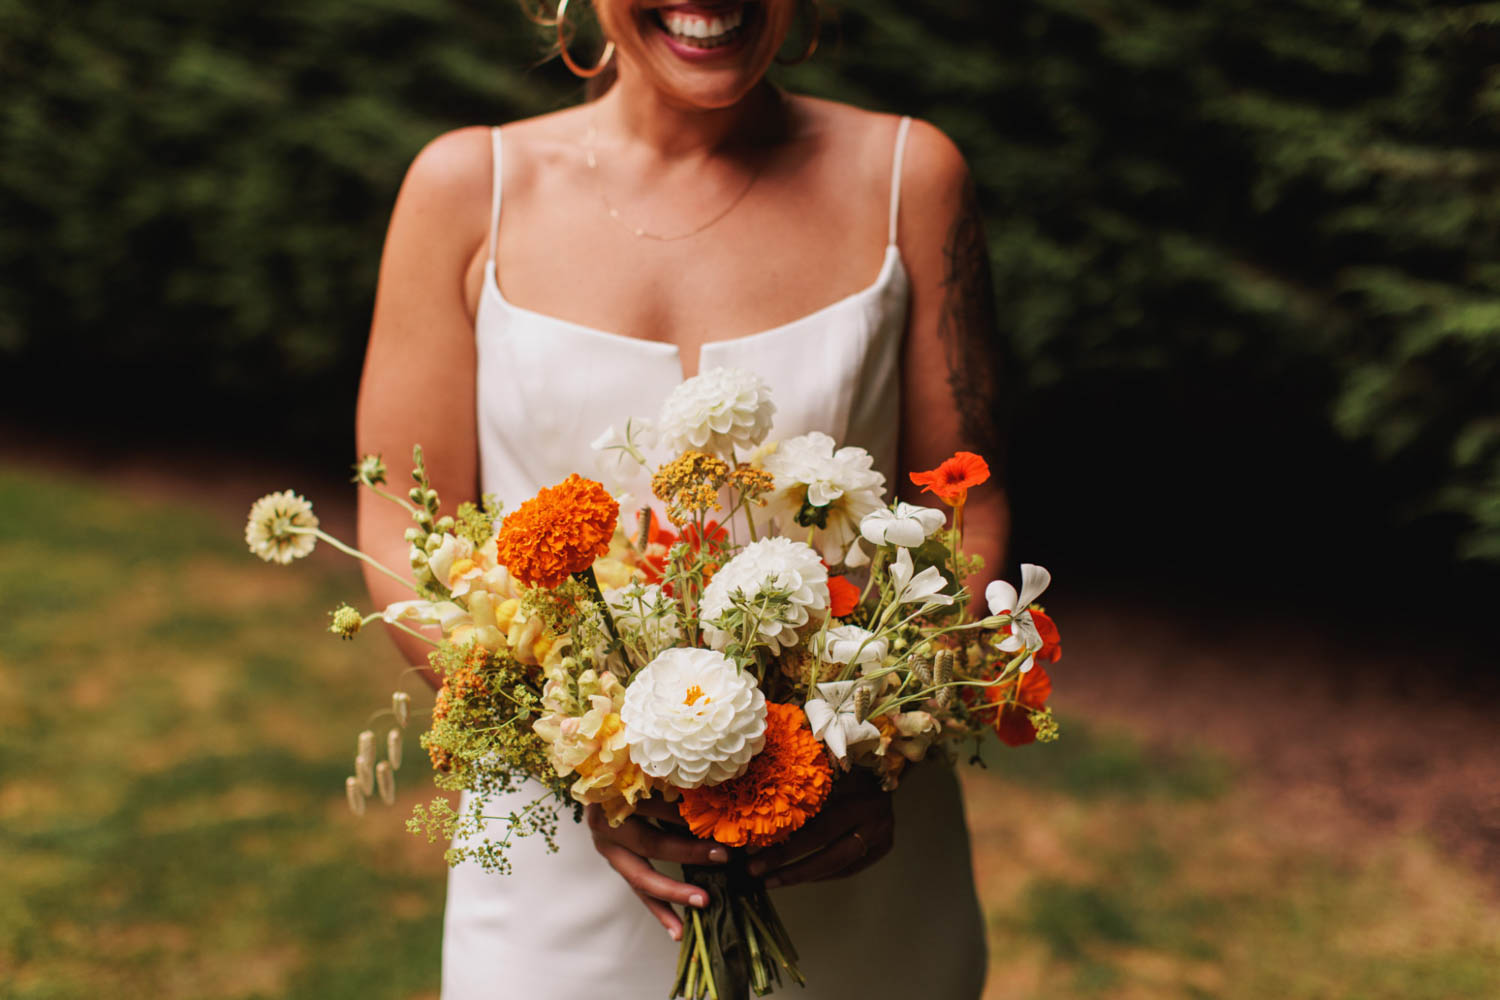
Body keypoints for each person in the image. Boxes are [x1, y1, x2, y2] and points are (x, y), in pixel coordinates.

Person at [355, 0, 1008, 996]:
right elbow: (404, 534)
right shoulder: (465, 191)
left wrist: (868, 764)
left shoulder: (912, 180)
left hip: (852, 854)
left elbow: (972, 506)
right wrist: (590, 762)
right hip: (559, 877)